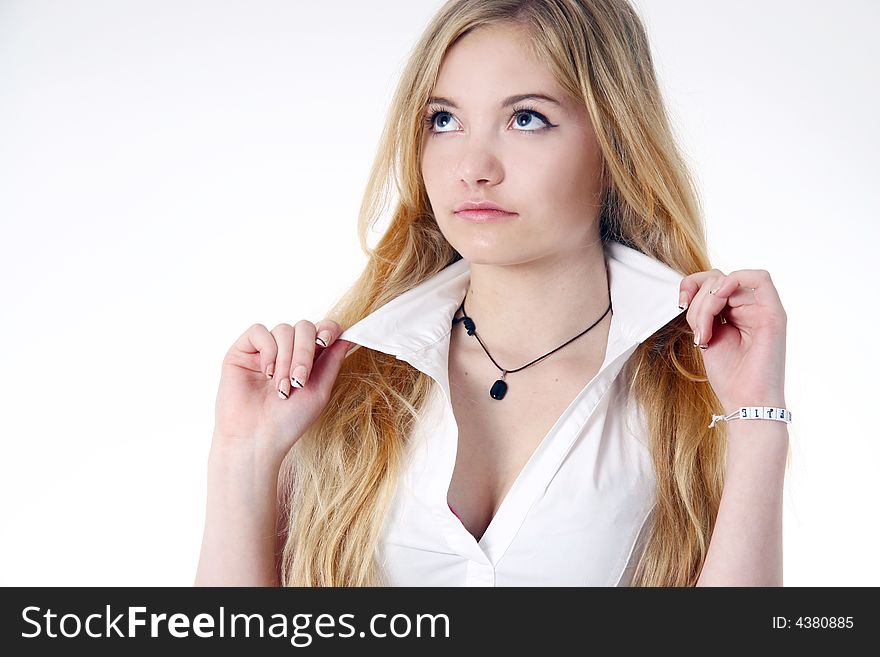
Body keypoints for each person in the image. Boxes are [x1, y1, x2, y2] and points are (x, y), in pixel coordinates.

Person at [195, 0, 790, 587]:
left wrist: (756, 420)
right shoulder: (344, 386)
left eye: (525, 118)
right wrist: (242, 456)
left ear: (614, 143)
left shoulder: (691, 393)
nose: (472, 167)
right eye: (444, 120)